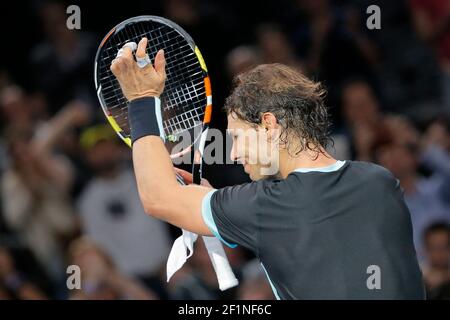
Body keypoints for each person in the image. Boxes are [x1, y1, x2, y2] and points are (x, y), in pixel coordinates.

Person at [109, 37, 425, 299]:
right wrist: (221, 209)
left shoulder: (264, 206)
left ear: (269, 125)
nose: (232, 153)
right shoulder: (380, 180)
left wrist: (140, 100)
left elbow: (156, 197)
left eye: (237, 137)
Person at [420, 222, 450, 298]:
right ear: (426, 249)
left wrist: (442, 277)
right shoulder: (417, 275)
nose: (439, 253)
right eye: (434, 247)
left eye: (444, 247)